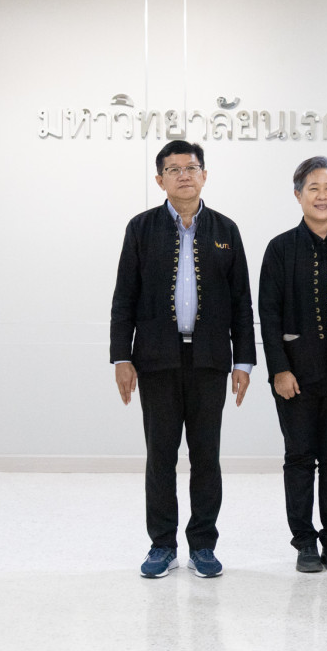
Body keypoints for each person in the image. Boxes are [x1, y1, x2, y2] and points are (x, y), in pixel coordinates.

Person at [110, 140, 256, 579]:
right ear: (160, 180)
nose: (183, 175)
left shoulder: (226, 230)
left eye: (191, 167)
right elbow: (124, 297)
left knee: (206, 456)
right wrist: (121, 357)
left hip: (210, 360)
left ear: (204, 175)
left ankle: (203, 545)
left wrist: (243, 362)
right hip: (156, 361)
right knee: (161, 456)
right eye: (173, 170)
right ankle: (162, 545)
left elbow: (241, 302)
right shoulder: (141, 228)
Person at [257, 156, 327, 573]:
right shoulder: (280, 248)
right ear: (298, 194)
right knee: (300, 458)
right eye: (313, 188)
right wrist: (279, 370)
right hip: (296, 379)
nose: (322, 196)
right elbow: (268, 314)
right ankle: (304, 542)